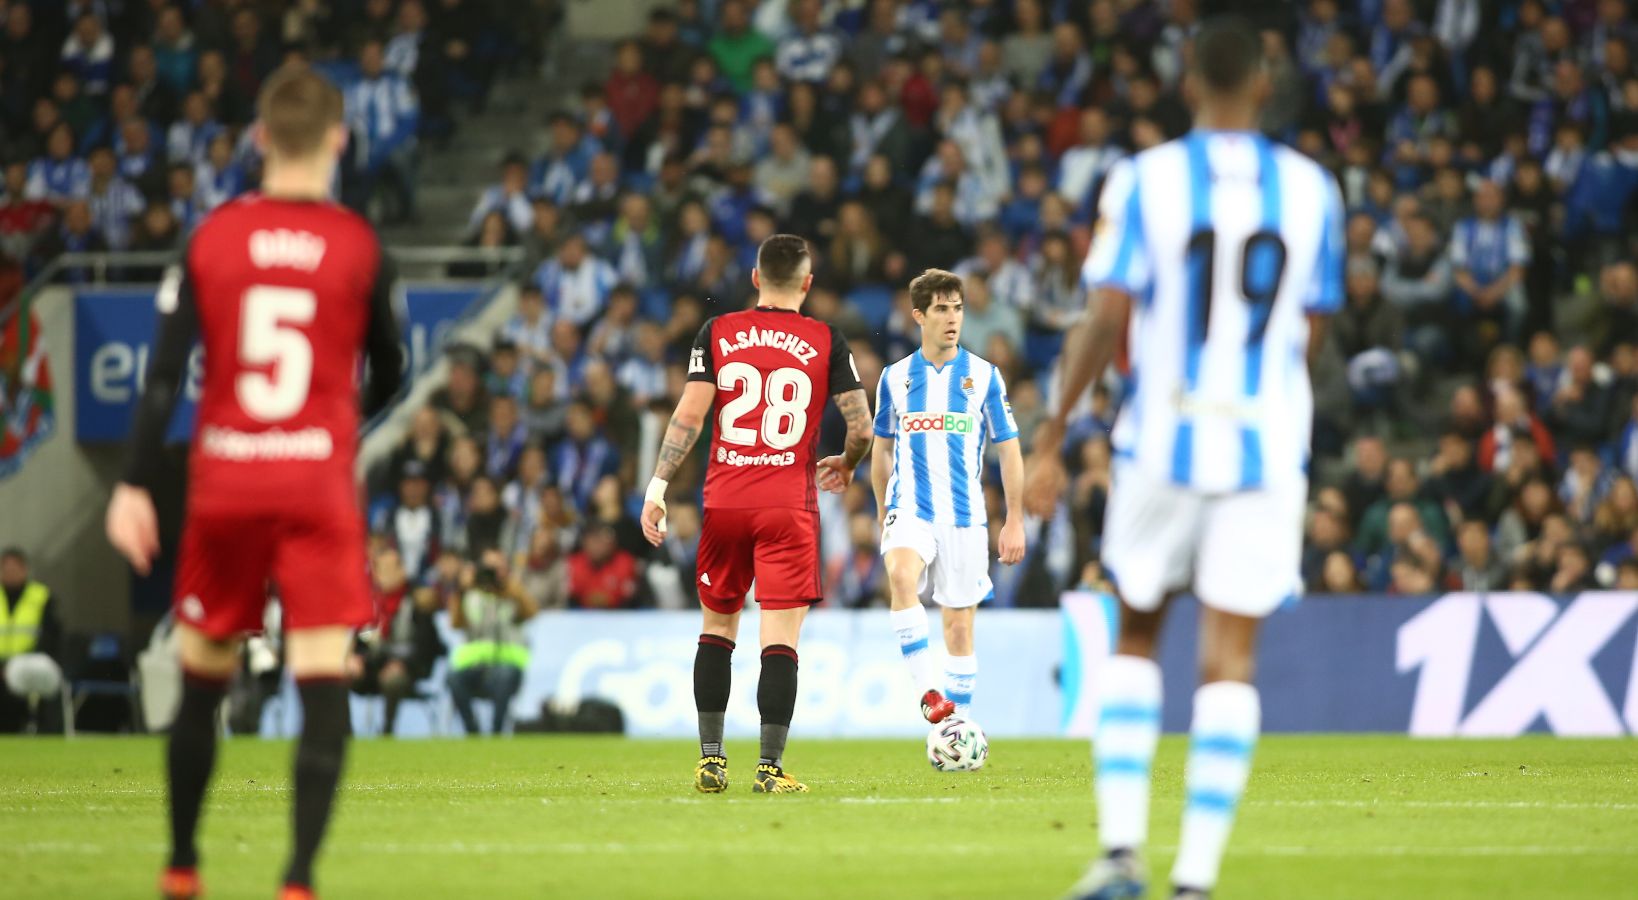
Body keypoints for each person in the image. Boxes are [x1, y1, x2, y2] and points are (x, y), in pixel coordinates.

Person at [1023, 20, 1345, 900]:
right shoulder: (1314, 189)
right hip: (1266, 446)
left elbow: (1104, 315)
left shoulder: (1147, 179)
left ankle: (1122, 854)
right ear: (1267, 79)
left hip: (1162, 439)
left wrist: (1054, 433)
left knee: (1134, 635)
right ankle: (1196, 879)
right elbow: (1310, 329)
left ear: (1188, 79)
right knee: (1228, 661)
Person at [104, 64, 406, 900]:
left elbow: (163, 377)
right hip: (314, 485)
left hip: (228, 483)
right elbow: (395, 369)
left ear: (261, 138)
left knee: (203, 680)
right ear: (339, 139)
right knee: (321, 676)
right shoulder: (357, 244)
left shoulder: (213, 237)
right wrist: (340, 419)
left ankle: (182, 864)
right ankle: (300, 879)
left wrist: (131, 485)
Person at [640, 234, 871, 794]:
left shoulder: (717, 332)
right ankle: (769, 768)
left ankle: (711, 760)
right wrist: (847, 460)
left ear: (754, 277)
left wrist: (657, 484)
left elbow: (689, 415)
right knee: (780, 640)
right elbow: (861, 425)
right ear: (808, 284)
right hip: (787, 506)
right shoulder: (825, 339)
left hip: (724, 501)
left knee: (717, 627)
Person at [868, 269, 1025, 726]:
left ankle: (954, 730)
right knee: (899, 574)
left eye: (957, 307)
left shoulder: (985, 376)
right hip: (910, 507)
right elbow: (882, 450)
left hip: (965, 517)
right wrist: (883, 510)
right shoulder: (895, 378)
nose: (952, 317)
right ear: (919, 315)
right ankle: (928, 693)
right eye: (941, 308)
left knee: (958, 628)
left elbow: (1010, 450)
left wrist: (1014, 519)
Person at [446, 548, 538, 736]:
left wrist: (511, 586)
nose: (493, 573)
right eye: (489, 568)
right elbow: (455, 623)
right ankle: (472, 730)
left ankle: (497, 730)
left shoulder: (511, 593)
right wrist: (462, 589)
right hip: (475, 667)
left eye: (499, 567)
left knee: (504, 676)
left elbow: (532, 612)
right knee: (453, 679)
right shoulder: (470, 595)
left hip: (506, 665)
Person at [0, 547, 64, 734]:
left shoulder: (41, 597)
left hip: (29, 663)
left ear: (25, 569)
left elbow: (51, 636)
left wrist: (16, 665)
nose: (10, 573)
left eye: (15, 568)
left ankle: (44, 731)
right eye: (6, 568)